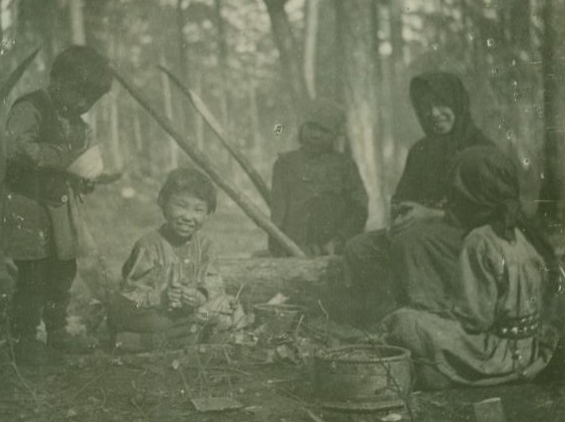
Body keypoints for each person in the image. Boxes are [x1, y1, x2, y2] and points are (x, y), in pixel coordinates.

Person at [384, 146, 562, 389]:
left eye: (457, 194)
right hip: (529, 349)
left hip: (496, 353)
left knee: (404, 321)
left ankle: (449, 373)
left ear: (471, 195)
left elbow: (474, 320)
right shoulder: (523, 236)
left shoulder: (478, 241)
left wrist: (439, 313)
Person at [337, 72, 493, 323]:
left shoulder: (480, 148)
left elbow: (490, 212)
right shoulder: (421, 150)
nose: (434, 113)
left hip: (465, 235)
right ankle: (384, 318)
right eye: (426, 107)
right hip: (418, 232)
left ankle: (430, 319)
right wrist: (398, 218)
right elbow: (403, 196)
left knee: (410, 242)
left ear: (457, 103)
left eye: (441, 104)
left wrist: (433, 215)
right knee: (358, 247)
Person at [2, 45, 112, 363]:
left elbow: (79, 163)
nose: (83, 104)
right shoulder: (31, 107)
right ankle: (24, 337)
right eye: (79, 94)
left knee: (62, 270)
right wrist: (62, 158)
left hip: (61, 210)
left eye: (91, 100)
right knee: (33, 273)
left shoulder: (79, 125)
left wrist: (87, 177)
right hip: (29, 205)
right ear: (58, 79)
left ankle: (57, 331)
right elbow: (17, 146)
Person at [107, 168, 246, 352]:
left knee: (231, 309)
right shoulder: (148, 246)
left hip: (194, 314)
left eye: (198, 210)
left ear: (207, 214)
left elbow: (215, 285)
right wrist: (161, 298)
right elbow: (130, 298)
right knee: (158, 322)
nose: (188, 217)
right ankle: (144, 341)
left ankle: (180, 337)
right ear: (163, 203)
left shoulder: (205, 247)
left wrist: (200, 296)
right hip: (155, 315)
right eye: (181, 206)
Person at [268, 100, 368, 256]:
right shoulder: (285, 164)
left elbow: (359, 208)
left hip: (333, 250)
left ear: (334, 135)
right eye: (312, 127)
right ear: (302, 127)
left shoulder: (345, 165)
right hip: (293, 248)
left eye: (324, 130)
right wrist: (278, 248)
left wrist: (338, 241)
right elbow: (278, 214)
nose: (315, 135)